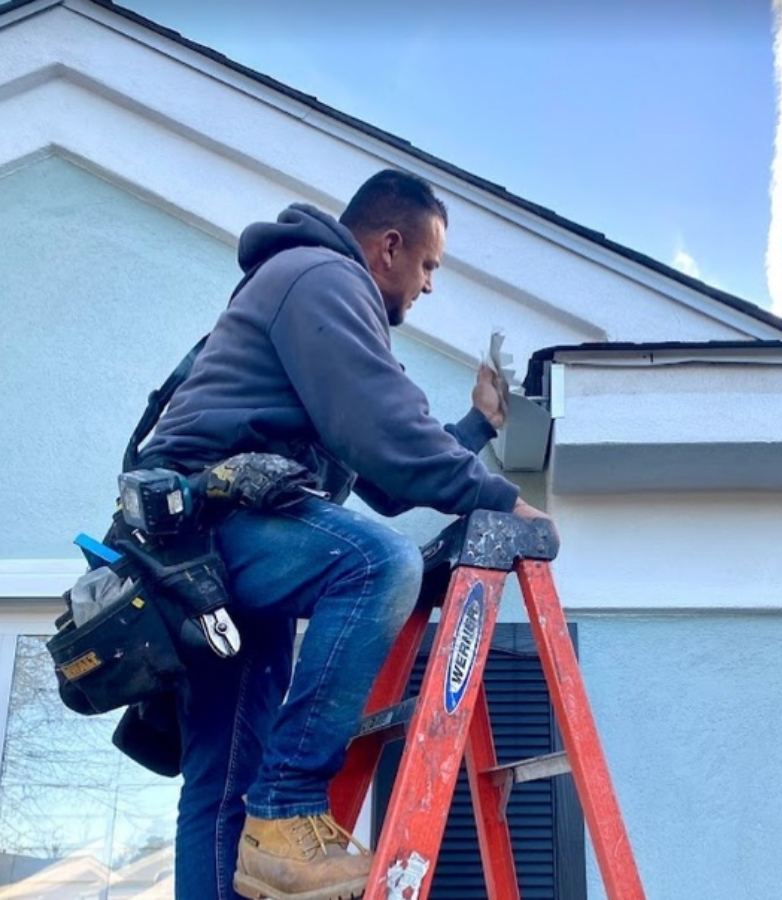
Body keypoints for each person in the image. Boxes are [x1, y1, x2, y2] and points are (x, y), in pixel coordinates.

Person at [139, 169, 553, 900]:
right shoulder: (321, 277)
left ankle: (269, 812)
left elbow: (386, 476)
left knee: (225, 775)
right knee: (373, 565)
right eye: (428, 265)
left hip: (202, 558)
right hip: (210, 529)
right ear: (390, 245)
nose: (429, 286)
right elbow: (387, 430)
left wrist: (481, 425)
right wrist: (507, 501)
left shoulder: (310, 292)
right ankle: (289, 802)